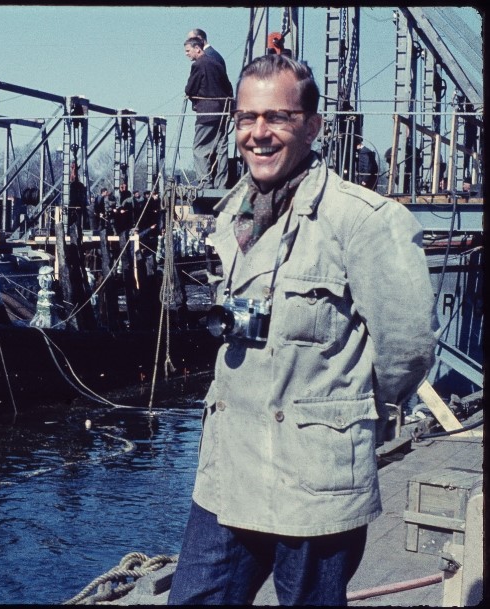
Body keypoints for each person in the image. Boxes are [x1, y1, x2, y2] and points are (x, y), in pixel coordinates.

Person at [168, 53, 437, 606]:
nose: (257, 134)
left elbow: (407, 348)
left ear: (312, 127)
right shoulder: (233, 215)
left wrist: (343, 413)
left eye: (277, 118)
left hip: (316, 477)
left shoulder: (361, 221)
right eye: (245, 118)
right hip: (230, 474)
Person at [184, 36, 234, 189]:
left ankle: (205, 183)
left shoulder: (199, 64)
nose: (186, 54)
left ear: (197, 49)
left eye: (188, 50)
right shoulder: (217, 64)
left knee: (199, 149)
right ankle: (221, 184)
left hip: (206, 113)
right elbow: (228, 87)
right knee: (221, 148)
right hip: (222, 111)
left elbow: (189, 89)